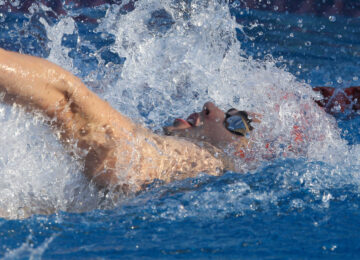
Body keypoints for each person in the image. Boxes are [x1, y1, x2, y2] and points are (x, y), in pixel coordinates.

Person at [0, 48, 358, 193]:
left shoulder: (210, 163)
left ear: (248, 156)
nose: (211, 107)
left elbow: (66, 100)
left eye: (238, 122)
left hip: (134, 162)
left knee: (65, 96)